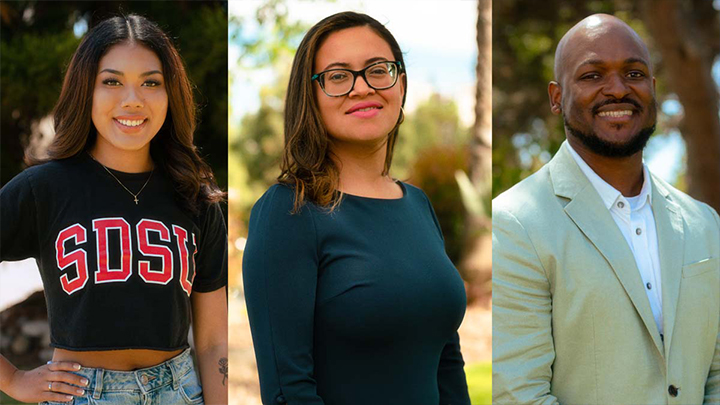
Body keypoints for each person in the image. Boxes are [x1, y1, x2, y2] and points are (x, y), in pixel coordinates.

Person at [242, 11, 471, 405]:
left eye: (378, 70)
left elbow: (447, 364)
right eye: (337, 76)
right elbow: (288, 391)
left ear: (400, 82)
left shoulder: (418, 205)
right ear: (309, 95)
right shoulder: (289, 211)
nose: (362, 88)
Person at [492, 13, 720, 404]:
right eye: (592, 75)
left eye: (633, 74)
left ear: (652, 86)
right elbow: (520, 395)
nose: (617, 89)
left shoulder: (704, 223)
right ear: (556, 97)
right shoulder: (516, 224)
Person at [0, 14, 228, 404]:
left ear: (170, 94)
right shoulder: (45, 188)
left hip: (180, 391)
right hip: (81, 394)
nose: (132, 100)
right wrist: (13, 379)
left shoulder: (196, 198)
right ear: (85, 91)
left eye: (151, 83)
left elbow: (211, 341)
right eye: (112, 81)